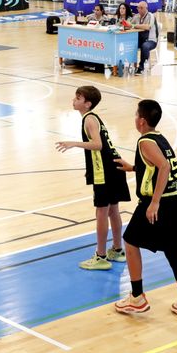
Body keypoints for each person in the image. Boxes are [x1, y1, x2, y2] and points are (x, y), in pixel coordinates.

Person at [112, 99, 177, 321]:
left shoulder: (145, 142)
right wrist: (132, 168)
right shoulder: (159, 138)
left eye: (135, 115)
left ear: (141, 121)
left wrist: (155, 202)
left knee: (130, 241)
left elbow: (164, 166)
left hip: (164, 202)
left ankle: (137, 298)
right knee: (172, 249)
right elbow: (154, 164)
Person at [54, 85, 129, 271]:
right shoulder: (91, 117)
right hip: (113, 166)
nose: (74, 100)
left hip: (105, 171)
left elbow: (97, 145)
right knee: (113, 211)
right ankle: (117, 250)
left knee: (102, 213)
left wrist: (73, 143)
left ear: (87, 104)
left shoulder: (89, 120)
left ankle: (101, 256)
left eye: (78, 98)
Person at [124, 0, 159, 73]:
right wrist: (125, 24)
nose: (139, 9)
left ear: (146, 8)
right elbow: (129, 25)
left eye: (141, 8)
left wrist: (133, 25)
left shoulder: (151, 16)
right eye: (138, 8)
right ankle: (127, 65)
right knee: (127, 44)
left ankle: (141, 67)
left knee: (145, 46)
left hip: (151, 40)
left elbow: (147, 27)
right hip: (139, 39)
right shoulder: (136, 16)